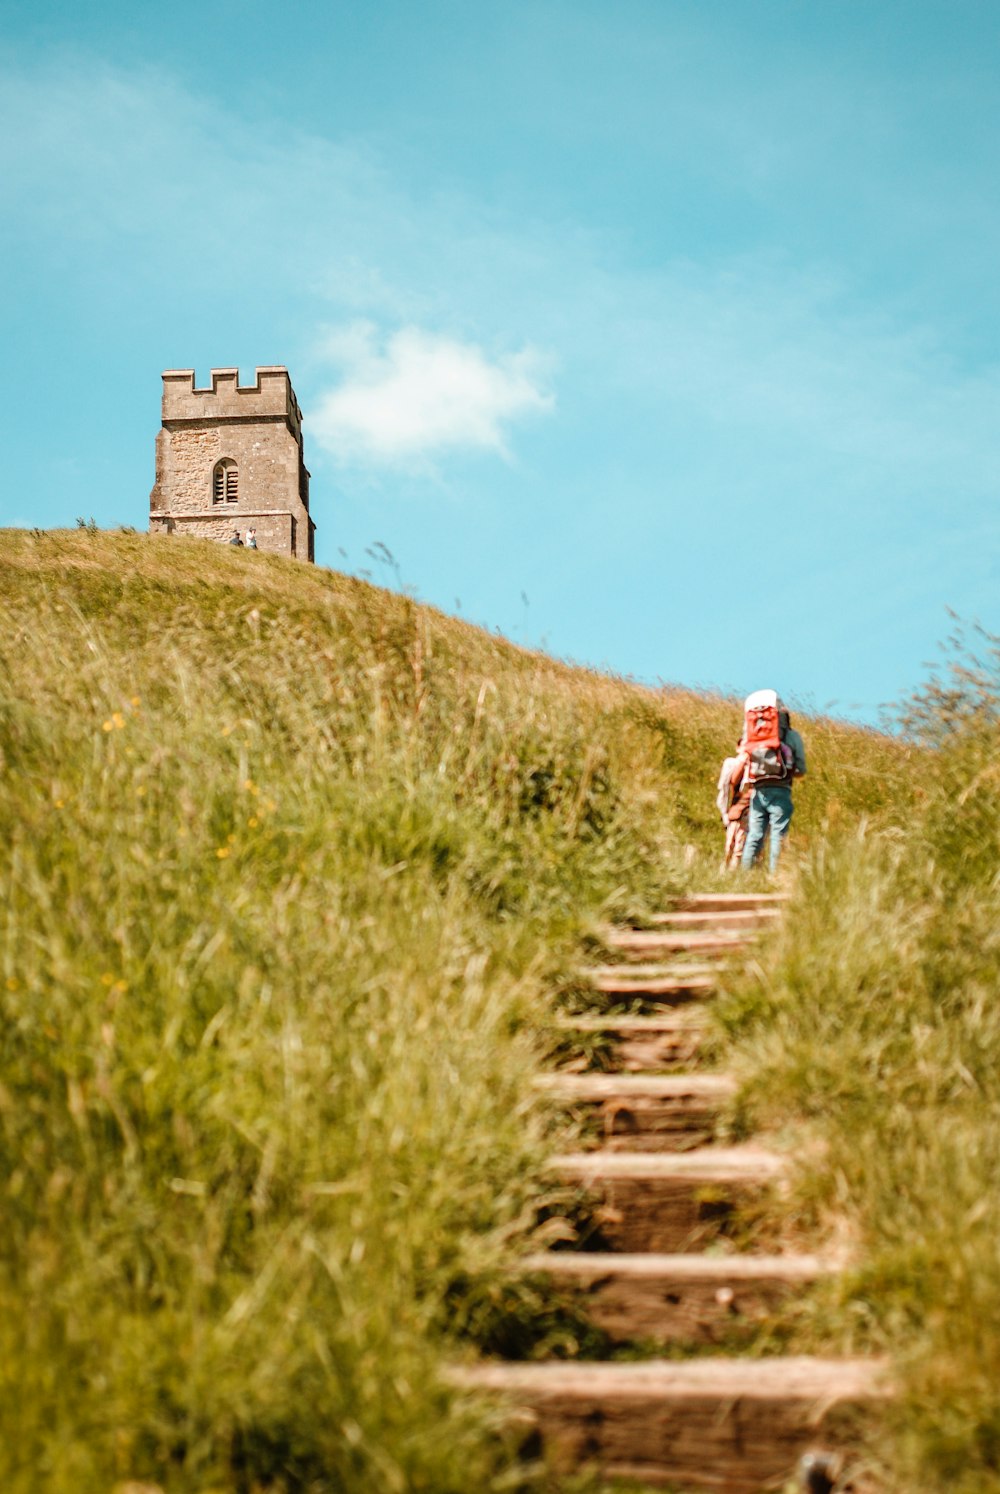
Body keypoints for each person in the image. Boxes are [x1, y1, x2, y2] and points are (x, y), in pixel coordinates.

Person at [739, 691, 806, 874]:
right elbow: (801, 770)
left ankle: (744, 877)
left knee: (754, 834)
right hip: (781, 790)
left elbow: (743, 753)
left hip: (758, 790)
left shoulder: (754, 733)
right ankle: (775, 877)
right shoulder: (792, 736)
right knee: (778, 834)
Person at [716, 744, 752, 870]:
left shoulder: (754, 766)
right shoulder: (733, 764)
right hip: (735, 811)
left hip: (746, 812)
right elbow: (731, 783)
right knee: (729, 845)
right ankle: (726, 872)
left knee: (739, 848)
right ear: (738, 748)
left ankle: (733, 872)